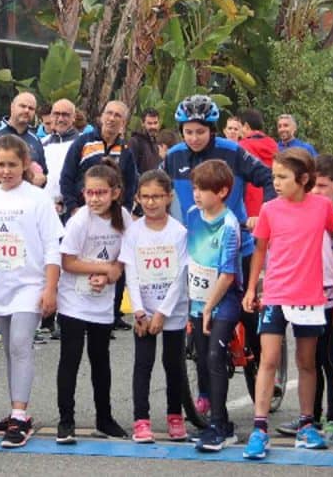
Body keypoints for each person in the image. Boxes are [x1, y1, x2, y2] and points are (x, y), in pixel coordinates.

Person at [164, 94, 273, 400]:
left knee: (249, 313)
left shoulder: (233, 151)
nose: (194, 137)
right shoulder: (173, 157)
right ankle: (204, 394)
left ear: (212, 129)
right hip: (197, 248)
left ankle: (264, 367)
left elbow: (267, 179)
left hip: (237, 243)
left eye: (200, 131)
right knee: (200, 324)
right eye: (188, 131)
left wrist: (261, 215)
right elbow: (158, 191)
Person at [0, 134, 63, 448]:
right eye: (1, 164)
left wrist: (50, 288)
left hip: (31, 284)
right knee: (10, 349)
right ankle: (16, 409)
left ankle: (19, 416)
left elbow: (52, 246)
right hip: (2, 284)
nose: (6, 170)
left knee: (21, 344)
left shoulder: (37, 199)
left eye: (12, 164)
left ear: (25, 164)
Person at [242, 148, 333, 460]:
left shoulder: (323, 207)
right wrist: (252, 288)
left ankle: (307, 424)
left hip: (310, 296)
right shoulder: (270, 209)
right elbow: (259, 249)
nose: (277, 182)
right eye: (274, 177)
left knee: (307, 362)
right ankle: (259, 428)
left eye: (282, 177)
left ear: (304, 178)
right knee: (268, 360)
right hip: (276, 294)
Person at [55, 162, 128, 442]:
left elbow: (126, 252)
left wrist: (114, 273)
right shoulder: (80, 220)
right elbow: (68, 261)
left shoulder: (123, 218)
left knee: (101, 360)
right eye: (90, 193)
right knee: (70, 359)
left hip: (102, 301)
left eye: (101, 193)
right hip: (73, 299)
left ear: (115, 192)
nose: (95, 199)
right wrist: (102, 270)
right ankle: (66, 420)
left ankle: (105, 418)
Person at [121, 169, 189, 444]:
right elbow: (131, 272)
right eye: (146, 197)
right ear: (137, 197)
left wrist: (163, 313)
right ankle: (141, 419)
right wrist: (140, 311)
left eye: (157, 197)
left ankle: (175, 415)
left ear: (169, 197)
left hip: (172, 311)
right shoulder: (134, 232)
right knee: (143, 364)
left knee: (173, 365)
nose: (151, 203)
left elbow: (181, 276)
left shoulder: (179, 232)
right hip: (144, 312)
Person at [187, 159, 244, 454]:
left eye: (204, 189)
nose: (197, 194)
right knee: (200, 357)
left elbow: (228, 274)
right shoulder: (192, 215)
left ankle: (221, 426)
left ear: (221, 192)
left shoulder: (230, 225)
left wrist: (209, 306)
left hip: (224, 299)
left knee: (214, 355)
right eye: (195, 187)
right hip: (197, 297)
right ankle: (206, 406)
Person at [305, 153, 333, 445]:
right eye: (313, 186)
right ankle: (312, 415)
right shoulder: (305, 212)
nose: (317, 192)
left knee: (332, 361)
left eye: (322, 186)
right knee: (310, 359)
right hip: (307, 295)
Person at [59, 99, 138, 218]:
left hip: (111, 218)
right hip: (80, 213)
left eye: (117, 115)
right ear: (102, 117)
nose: (111, 118)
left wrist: (124, 212)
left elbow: (131, 186)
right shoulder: (83, 142)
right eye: (109, 113)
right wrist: (73, 207)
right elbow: (66, 177)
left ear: (123, 122)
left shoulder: (125, 151)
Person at [0, 92, 47, 186]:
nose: (27, 110)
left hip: (27, 197)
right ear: (12, 107)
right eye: (22, 106)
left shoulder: (36, 139)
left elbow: (44, 173)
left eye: (31, 108)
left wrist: (42, 179)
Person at [237, 108, 278, 219]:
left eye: (238, 127)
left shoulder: (242, 146)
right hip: (272, 197)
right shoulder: (273, 144)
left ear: (246, 126)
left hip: (250, 202)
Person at [42, 98, 80, 211]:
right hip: (45, 208)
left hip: (72, 208)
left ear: (74, 118)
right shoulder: (41, 143)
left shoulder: (83, 143)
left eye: (65, 115)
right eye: (56, 114)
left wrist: (67, 203)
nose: (60, 118)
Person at [128, 108, 164, 174]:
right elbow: (130, 169)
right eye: (149, 123)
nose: (153, 126)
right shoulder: (135, 142)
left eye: (155, 123)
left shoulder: (158, 143)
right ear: (143, 123)